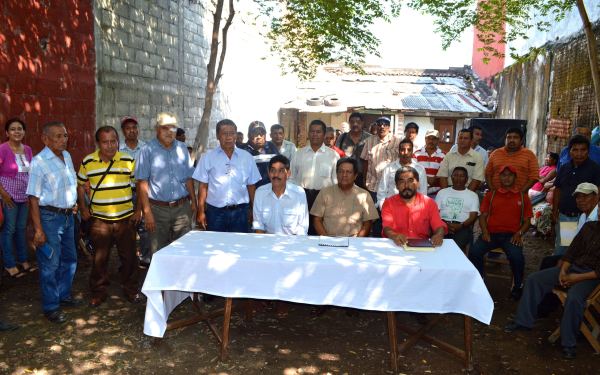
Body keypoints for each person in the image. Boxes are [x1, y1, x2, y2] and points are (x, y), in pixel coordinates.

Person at [504, 218, 600, 360]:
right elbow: (572, 252)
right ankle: (523, 321)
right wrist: (563, 271)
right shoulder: (589, 226)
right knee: (534, 280)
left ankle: (568, 343)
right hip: (573, 268)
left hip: (591, 277)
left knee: (574, 298)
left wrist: (574, 278)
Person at [77, 126, 141, 307]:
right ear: (98, 144)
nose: (110, 146)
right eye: (105, 142)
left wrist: (139, 210)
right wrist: (83, 208)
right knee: (100, 258)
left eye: (113, 141)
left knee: (129, 258)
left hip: (125, 219)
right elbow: (81, 185)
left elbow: (141, 186)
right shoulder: (88, 162)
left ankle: (131, 290)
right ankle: (99, 291)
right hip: (100, 220)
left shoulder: (128, 160)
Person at [27, 121, 80, 324]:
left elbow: (71, 183)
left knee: (70, 258)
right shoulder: (39, 162)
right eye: (57, 136)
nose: (63, 140)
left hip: (68, 216)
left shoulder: (66, 156)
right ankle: (51, 306)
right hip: (49, 218)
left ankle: (63, 295)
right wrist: (38, 229)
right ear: (45, 139)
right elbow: (33, 198)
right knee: (50, 263)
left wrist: (73, 203)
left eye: (65, 135)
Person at [135, 112, 197, 256]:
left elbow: (188, 178)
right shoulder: (147, 150)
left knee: (183, 250)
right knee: (158, 252)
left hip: (182, 209)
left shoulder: (182, 148)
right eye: (165, 128)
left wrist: (193, 202)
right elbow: (142, 183)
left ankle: (181, 278)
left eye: (173, 128)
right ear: (157, 129)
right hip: (157, 210)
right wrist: (147, 212)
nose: (170, 132)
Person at [468, 165, 533, 300]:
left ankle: (518, 286)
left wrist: (519, 234)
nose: (506, 178)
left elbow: (527, 221)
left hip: (511, 236)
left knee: (517, 258)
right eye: (504, 175)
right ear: (499, 178)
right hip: (491, 234)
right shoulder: (491, 195)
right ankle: (480, 279)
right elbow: (483, 217)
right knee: (474, 252)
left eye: (510, 175)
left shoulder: (523, 196)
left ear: (515, 178)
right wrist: (485, 232)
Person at [195, 119, 261, 233]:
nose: (229, 137)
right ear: (217, 136)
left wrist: (254, 211)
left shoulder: (247, 157)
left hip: (240, 213)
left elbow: (251, 186)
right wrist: (200, 211)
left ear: (236, 135)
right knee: (216, 246)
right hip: (215, 213)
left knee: (240, 246)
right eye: (224, 134)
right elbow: (203, 187)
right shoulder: (207, 157)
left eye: (232, 133)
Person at [552, 135, 600, 255]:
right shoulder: (564, 168)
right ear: (570, 151)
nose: (579, 154)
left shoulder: (595, 169)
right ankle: (561, 273)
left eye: (583, 150)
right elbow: (558, 190)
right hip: (567, 217)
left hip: (587, 219)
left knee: (584, 252)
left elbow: (598, 192)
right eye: (575, 150)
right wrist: (554, 211)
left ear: (588, 151)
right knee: (565, 251)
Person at [290, 119, 339, 235]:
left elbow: (336, 181)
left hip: (324, 197)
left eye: (318, 132)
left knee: (322, 230)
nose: (315, 134)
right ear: (308, 134)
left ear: (324, 134)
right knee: (302, 229)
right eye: (312, 131)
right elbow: (291, 177)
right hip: (302, 196)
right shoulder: (299, 154)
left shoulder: (332, 155)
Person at [0, 118, 34, 278]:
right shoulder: (2, 149)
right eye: (13, 129)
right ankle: (9, 263)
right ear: (7, 133)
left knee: (21, 229)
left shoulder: (27, 149)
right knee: (9, 230)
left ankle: (23, 260)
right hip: (8, 196)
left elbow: (31, 172)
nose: (17, 131)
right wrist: (3, 194)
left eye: (20, 128)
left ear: (24, 132)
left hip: (24, 195)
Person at [311, 158, 378, 237]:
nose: (344, 175)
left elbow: (367, 223)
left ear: (355, 175)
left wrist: (357, 241)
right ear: (336, 174)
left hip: (354, 241)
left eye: (348, 172)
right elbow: (317, 219)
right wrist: (327, 239)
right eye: (341, 171)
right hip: (328, 239)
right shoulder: (325, 192)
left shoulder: (364, 195)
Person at [381, 166, 447, 246]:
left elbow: (438, 226)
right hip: (396, 245)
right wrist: (394, 235)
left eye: (410, 181)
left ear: (418, 183)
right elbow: (387, 228)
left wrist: (438, 235)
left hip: (422, 247)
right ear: (397, 185)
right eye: (402, 182)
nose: (406, 186)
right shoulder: (388, 203)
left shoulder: (429, 203)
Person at [360, 116, 401, 234]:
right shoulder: (369, 141)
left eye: (385, 124)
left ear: (389, 127)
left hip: (391, 187)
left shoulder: (397, 141)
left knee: (389, 217)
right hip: (372, 185)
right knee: (373, 217)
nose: (382, 126)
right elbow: (365, 161)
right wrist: (363, 180)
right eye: (379, 124)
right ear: (376, 126)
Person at [119, 116, 150, 266]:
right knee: (124, 228)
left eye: (134, 127)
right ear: (123, 131)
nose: (131, 130)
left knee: (144, 227)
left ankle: (145, 259)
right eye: (128, 128)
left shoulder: (146, 148)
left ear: (138, 130)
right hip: (123, 193)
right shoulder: (117, 150)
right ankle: (127, 260)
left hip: (143, 192)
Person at [252, 155, 308, 235]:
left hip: (292, 243)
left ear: (288, 173)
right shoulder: (260, 193)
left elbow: (302, 228)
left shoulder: (299, 193)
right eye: (273, 171)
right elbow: (258, 226)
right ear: (268, 173)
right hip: (266, 242)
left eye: (281, 171)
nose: (276, 175)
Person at [435, 167, 479, 251]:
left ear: (466, 179)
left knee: (455, 247)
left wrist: (461, 225)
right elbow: (435, 213)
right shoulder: (442, 192)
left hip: (462, 227)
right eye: (456, 175)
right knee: (438, 244)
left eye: (462, 176)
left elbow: (473, 216)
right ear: (451, 177)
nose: (458, 178)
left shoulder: (473, 195)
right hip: (442, 225)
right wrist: (445, 224)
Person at [377, 139, 428, 208]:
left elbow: (423, 193)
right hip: (392, 208)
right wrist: (383, 208)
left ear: (412, 151)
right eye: (402, 150)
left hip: (413, 209)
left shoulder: (420, 169)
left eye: (409, 150)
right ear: (399, 151)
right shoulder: (389, 168)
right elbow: (382, 191)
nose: (406, 152)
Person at [485, 127, 539, 192]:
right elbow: (487, 173)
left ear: (521, 140)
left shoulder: (529, 155)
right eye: (509, 137)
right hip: (496, 197)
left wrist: (522, 192)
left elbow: (534, 176)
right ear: (505, 139)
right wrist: (492, 190)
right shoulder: (495, 153)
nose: (512, 140)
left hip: (520, 197)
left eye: (515, 137)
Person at [336, 112, 371, 188]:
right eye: (352, 122)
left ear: (362, 123)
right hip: (345, 176)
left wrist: (366, 179)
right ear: (349, 123)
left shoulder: (369, 139)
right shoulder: (342, 138)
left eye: (358, 122)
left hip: (363, 177)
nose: (355, 124)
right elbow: (336, 156)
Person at [241, 121, 279, 189]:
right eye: (255, 133)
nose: (259, 137)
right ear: (249, 135)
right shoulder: (243, 151)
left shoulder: (271, 147)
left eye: (262, 133)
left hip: (270, 191)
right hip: (251, 192)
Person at [414, 129, 445, 196]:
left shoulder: (443, 156)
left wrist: (429, 179)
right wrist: (427, 178)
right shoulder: (416, 154)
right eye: (429, 138)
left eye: (434, 139)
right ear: (425, 139)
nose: (431, 141)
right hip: (419, 193)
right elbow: (413, 172)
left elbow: (443, 174)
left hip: (436, 194)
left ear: (438, 140)